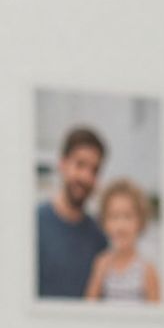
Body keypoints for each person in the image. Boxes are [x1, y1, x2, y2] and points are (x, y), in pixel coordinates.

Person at [37, 125, 108, 301]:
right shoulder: (34, 223)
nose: (86, 177)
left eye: (94, 170)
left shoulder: (100, 238)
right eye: (80, 165)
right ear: (63, 164)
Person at [83, 179, 160, 303]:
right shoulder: (101, 264)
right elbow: (89, 307)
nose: (120, 225)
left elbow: (157, 317)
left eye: (128, 216)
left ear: (140, 222)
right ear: (104, 222)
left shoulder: (147, 270)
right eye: (113, 217)